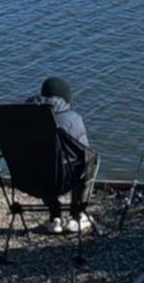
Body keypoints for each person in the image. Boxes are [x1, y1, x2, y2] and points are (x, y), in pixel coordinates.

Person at [30, 76, 99, 234]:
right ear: (67, 101)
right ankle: (77, 215)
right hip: (63, 180)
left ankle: (55, 217)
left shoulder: (24, 118)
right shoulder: (72, 119)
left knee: (40, 163)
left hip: (32, 179)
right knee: (91, 159)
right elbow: (85, 152)